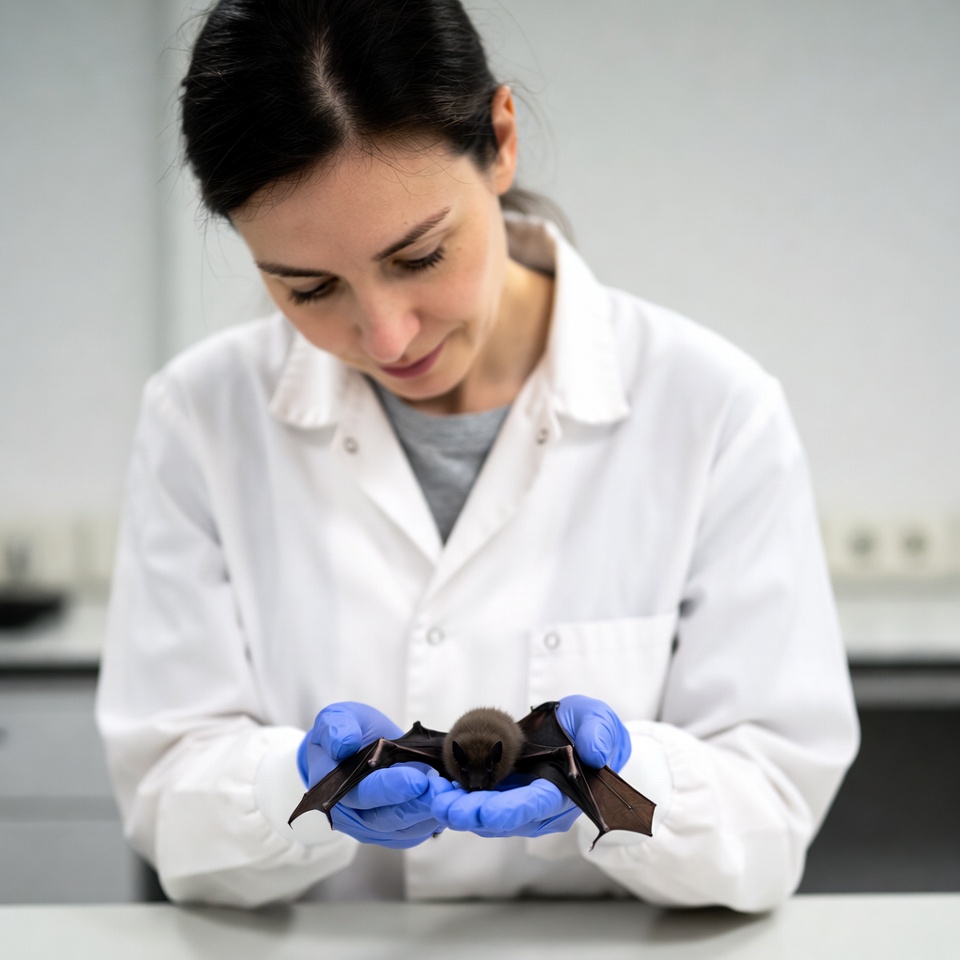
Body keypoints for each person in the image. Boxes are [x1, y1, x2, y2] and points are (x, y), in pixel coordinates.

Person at [96, 0, 859, 910]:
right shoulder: (199, 419)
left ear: (500, 141)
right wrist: (289, 789)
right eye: (308, 287)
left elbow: (770, 817)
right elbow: (166, 798)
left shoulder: (713, 412)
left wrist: (614, 779)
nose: (385, 334)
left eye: (418, 256)